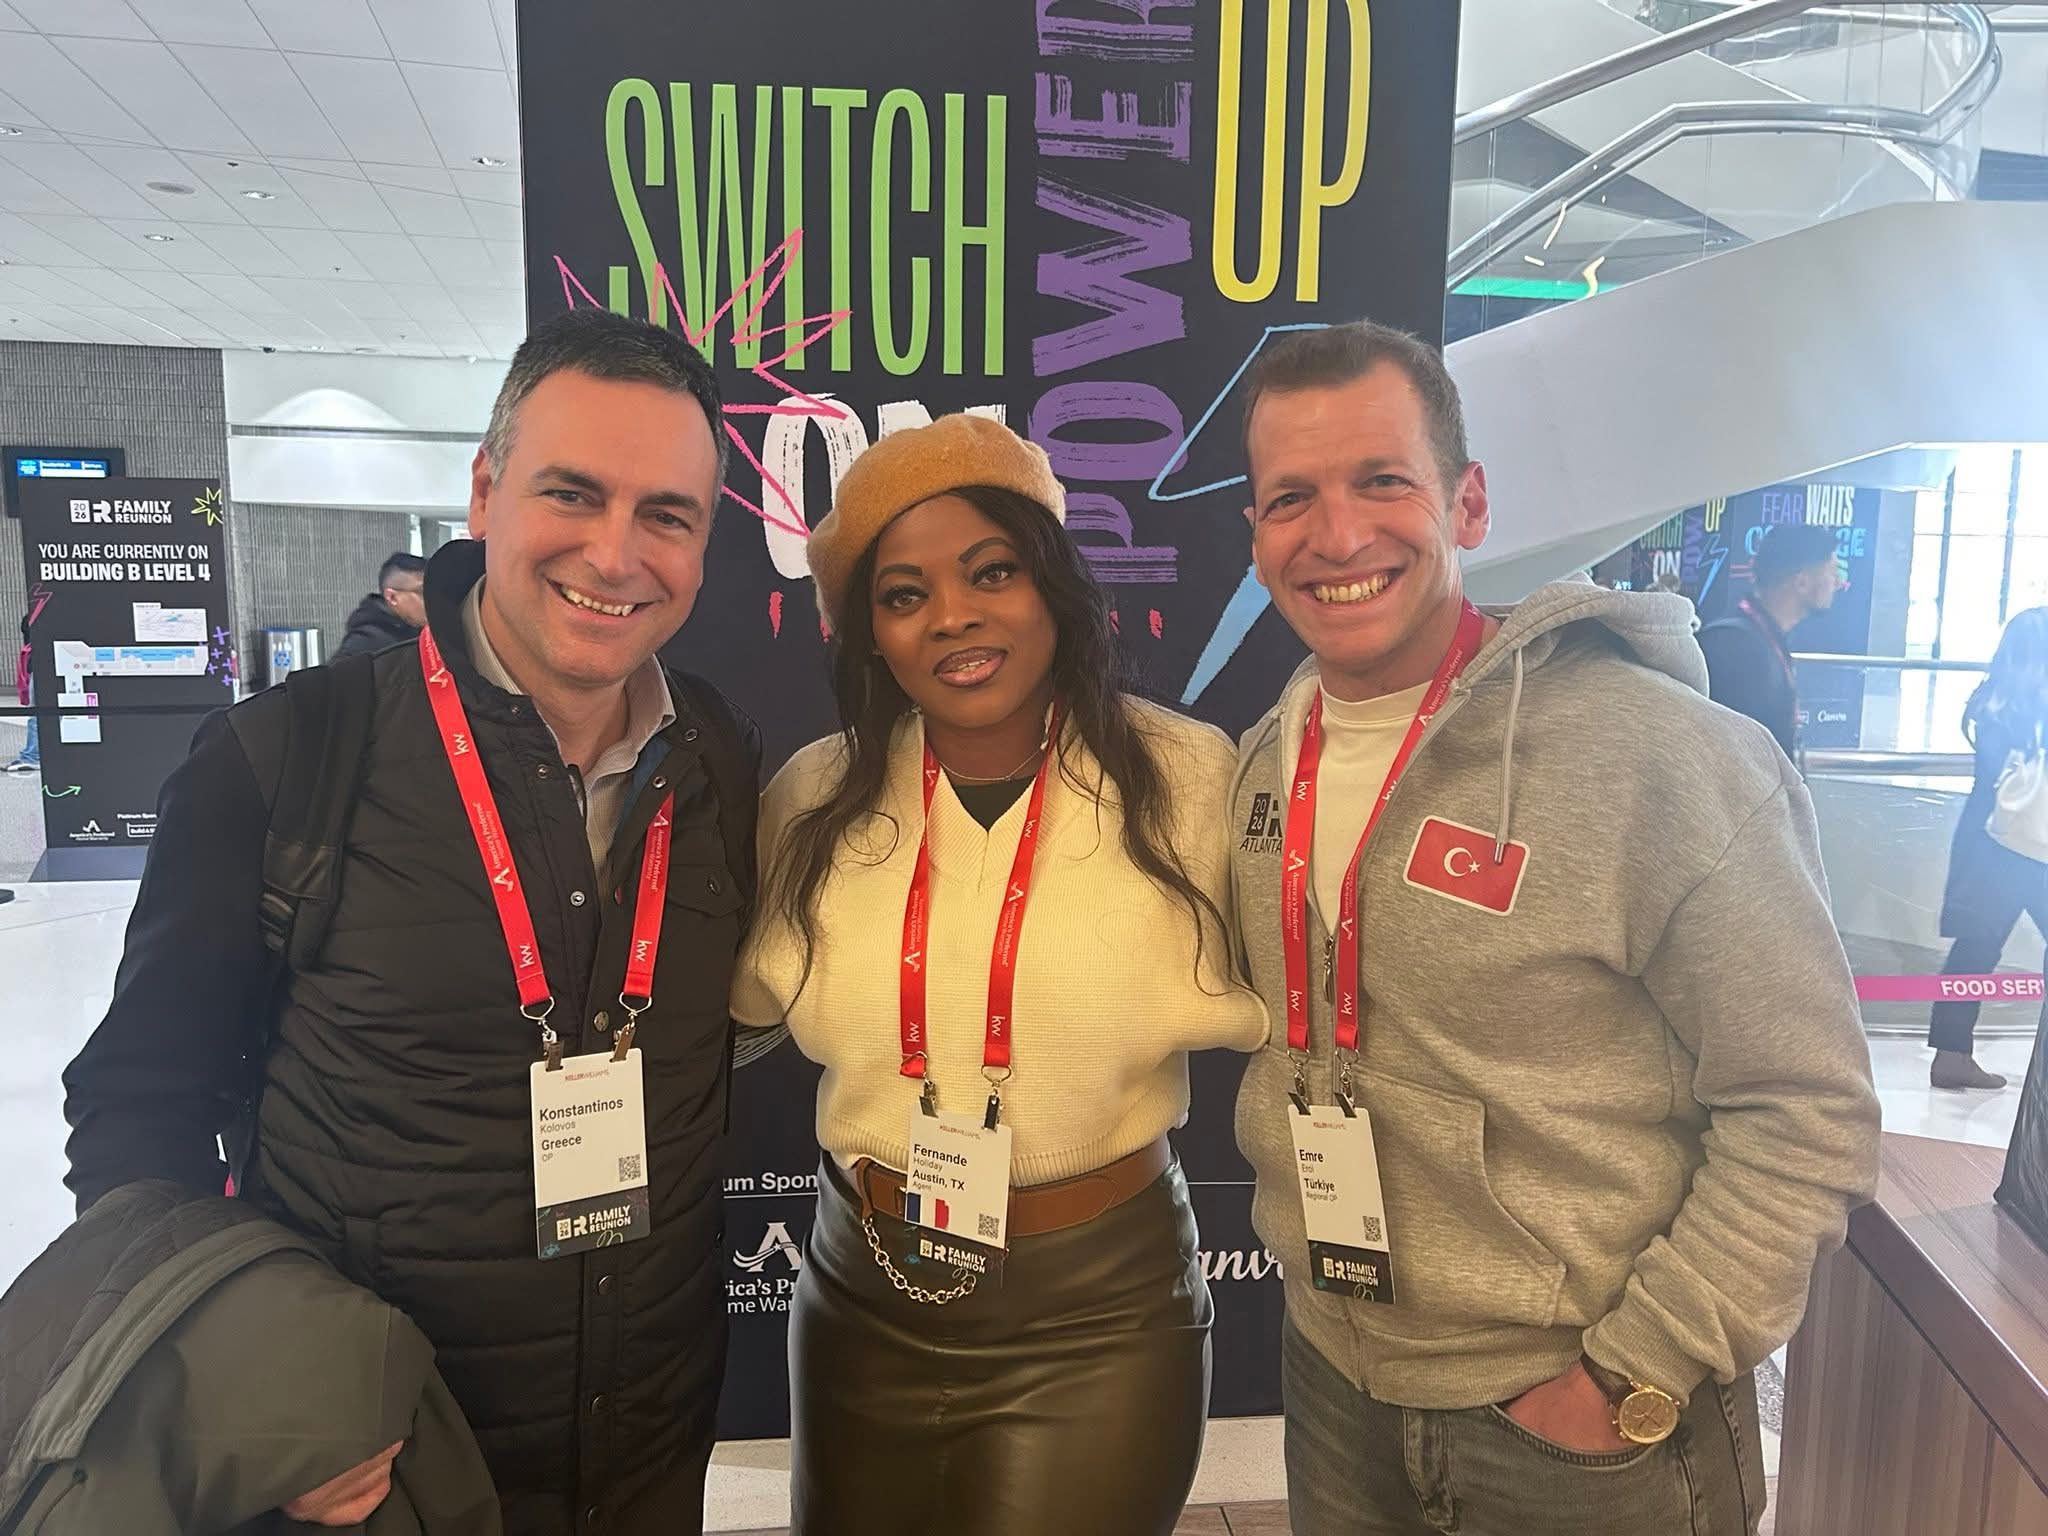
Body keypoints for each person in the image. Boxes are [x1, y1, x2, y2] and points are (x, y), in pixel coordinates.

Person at [61, 308, 760, 1536]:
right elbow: (136, 1106)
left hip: (646, 1443)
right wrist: (248, 1396)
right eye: (572, 494)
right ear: (484, 493)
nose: (614, 554)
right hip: (374, 1468)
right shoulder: (285, 756)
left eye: (666, 515)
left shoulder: (718, 759)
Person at [1227, 322, 1880, 1536]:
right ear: (1256, 535)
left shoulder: (1659, 757)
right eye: (1290, 498)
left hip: (1583, 1425)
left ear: (1467, 504)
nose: (1337, 535)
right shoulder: (1267, 760)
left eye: (1382, 481)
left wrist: (1630, 1376)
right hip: (1336, 1381)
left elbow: (1805, 1111)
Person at [730, 414, 1267, 1536]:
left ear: (1052, 586)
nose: (953, 616)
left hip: (1097, 1310)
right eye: (904, 594)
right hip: (861, 1289)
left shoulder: (1187, 778)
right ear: (870, 636)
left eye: (991, 572)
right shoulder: (813, 799)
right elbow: (730, 1013)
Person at [1928, 606, 2048, 1091]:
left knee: (1974, 949)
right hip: (2031, 851)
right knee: (1975, 949)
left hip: (1989, 845)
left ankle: (1951, 1054)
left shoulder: (1993, 703)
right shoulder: (2033, 708)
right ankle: (1953, 1056)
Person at [1698, 521, 1842, 761]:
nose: (1837, 582)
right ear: (1802, 582)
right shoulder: (1737, 649)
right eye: (1832, 572)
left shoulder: (1759, 639)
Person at [335, 551, 429, 658]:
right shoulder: (366, 643)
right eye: (423, 591)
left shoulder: (422, 631)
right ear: (392, 597)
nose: (432, 598)